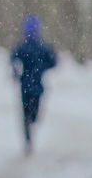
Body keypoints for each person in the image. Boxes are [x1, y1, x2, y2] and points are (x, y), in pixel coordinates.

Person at [10, 14, 57, 154]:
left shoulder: (21, 46)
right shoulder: (43, 46)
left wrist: (16, 73)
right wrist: (43, 68)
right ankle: (31, 123)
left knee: (26, 114)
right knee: (35, 112)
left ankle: (28, 136)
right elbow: (53, 62)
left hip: (25, 85)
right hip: (38, 85)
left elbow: (13, 60)